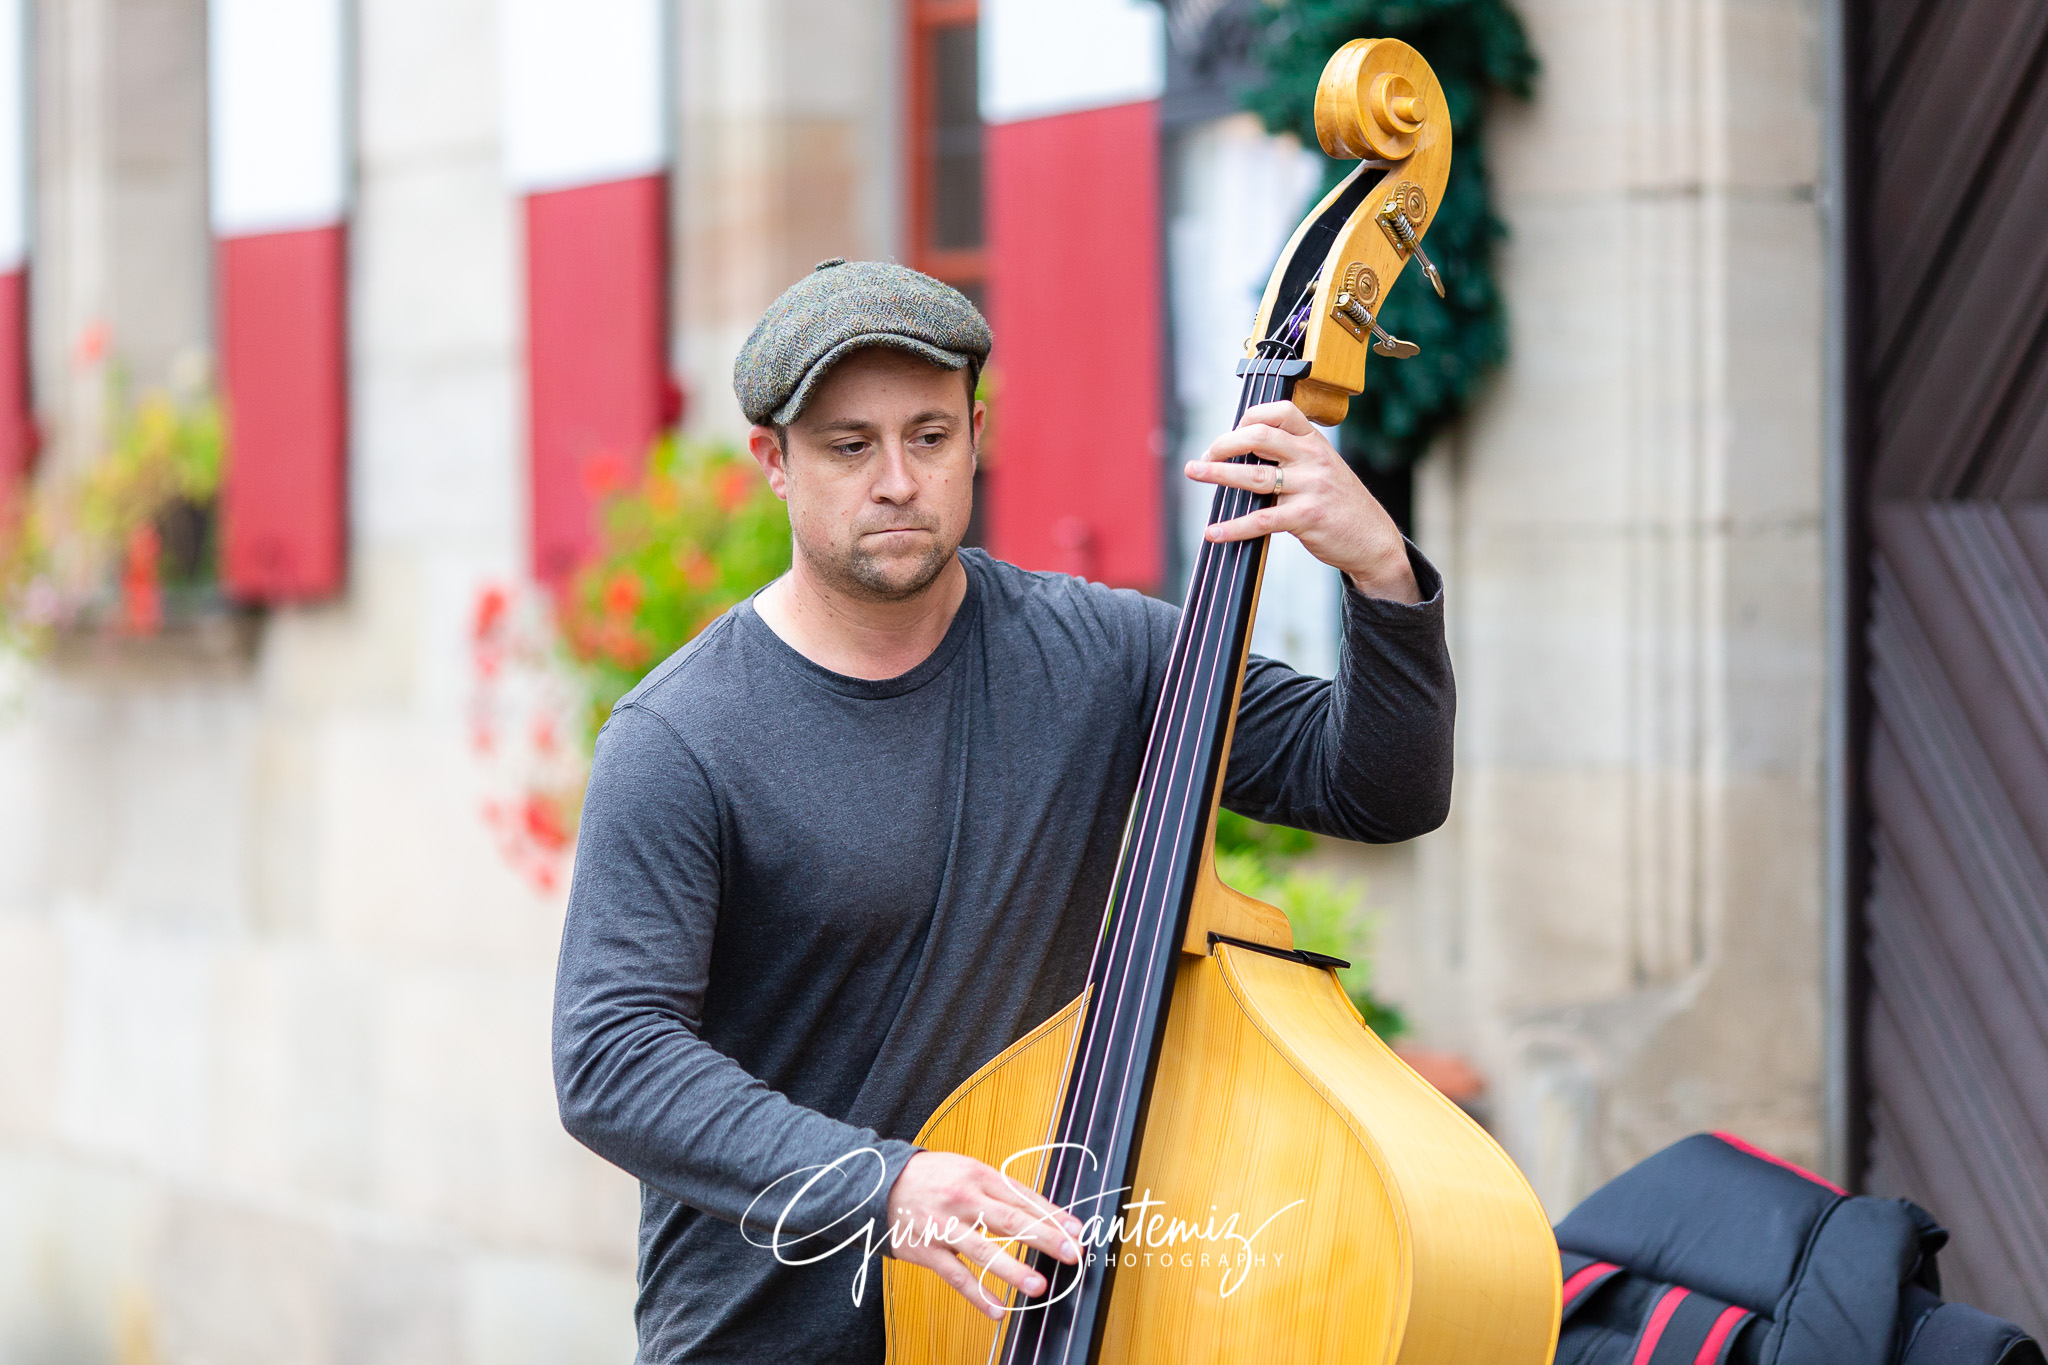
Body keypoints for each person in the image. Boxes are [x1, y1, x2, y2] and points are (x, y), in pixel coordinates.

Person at [552, 258, 1455, 1364]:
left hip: (1033, 1325)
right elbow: (611, 1058)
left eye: (928, 436)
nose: (896, 479)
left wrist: (1378, 571)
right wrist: (886, 1186)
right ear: (772, 463)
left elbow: (1376, 788)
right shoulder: (680, 739)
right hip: (769, 1339)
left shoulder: (1101, 655)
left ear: (973, 436)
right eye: (849, 445)